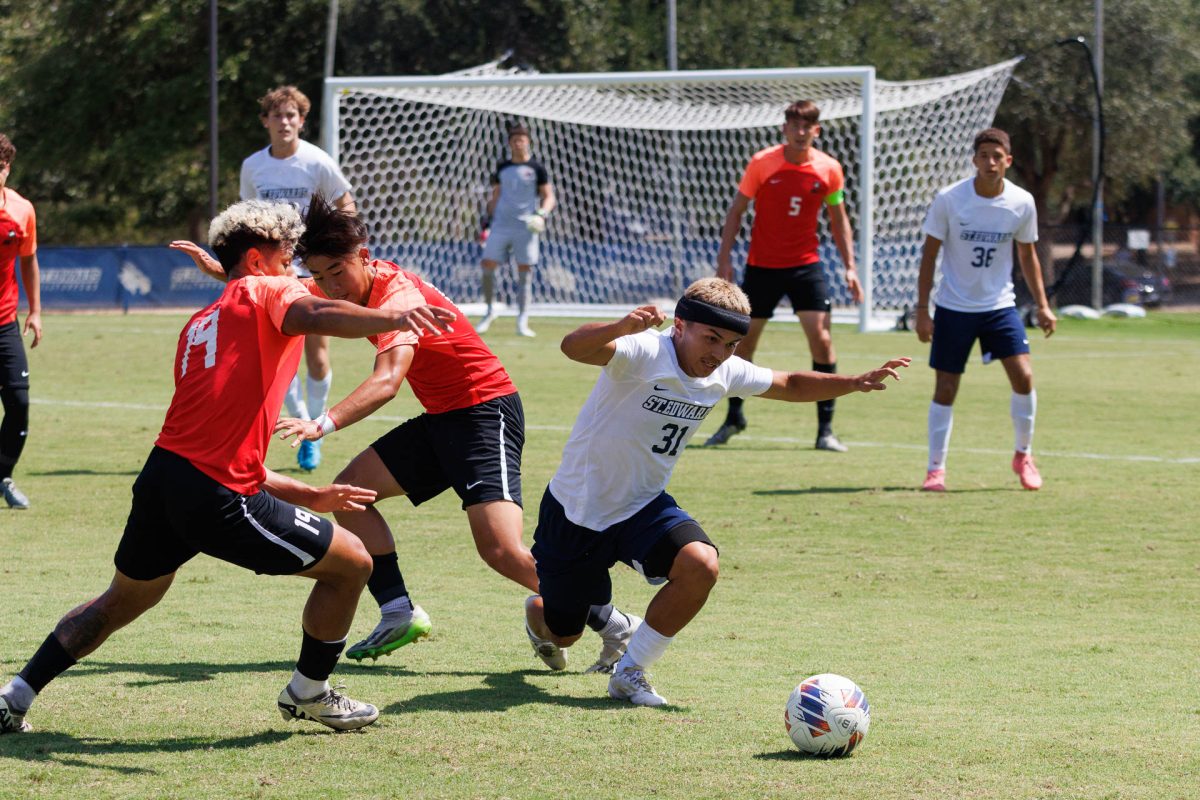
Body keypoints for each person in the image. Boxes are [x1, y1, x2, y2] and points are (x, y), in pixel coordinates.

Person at [0, 200, 457, 735]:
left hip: (164, 478)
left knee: (120, 600)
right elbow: (309, 312)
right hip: (216, 495)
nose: (301, 275)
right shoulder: (271, 289)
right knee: (353, 563)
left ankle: (15, 695)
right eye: (290, 261)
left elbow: (215, 445)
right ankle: (308, 692)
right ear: (263, 261)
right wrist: (390, 316)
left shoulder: (201, 323)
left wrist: (309, 496)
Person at [178, 196, 628, 672]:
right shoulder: (348, 282)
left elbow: (387, 382)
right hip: (443, 417)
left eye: (337, 272)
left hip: (483, 410)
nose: (330, 286)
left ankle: (612, 621)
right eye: (321, 275)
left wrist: (322, 422)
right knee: (350, 496)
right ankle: (398, 610)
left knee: (499, 549)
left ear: (364, 257)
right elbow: (284, 284)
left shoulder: (399, 296)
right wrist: (226, 271)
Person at [523, 277, 909, 705]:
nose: (719, 354)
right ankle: (573, 618)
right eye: (711, 338)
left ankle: (630, 672)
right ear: (680, 326)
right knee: (562, 631)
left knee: (701, 564)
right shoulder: (645, 349)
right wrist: (621, 326)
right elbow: (572, 347)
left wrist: (851, 382)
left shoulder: (724, 371)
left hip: (641, 506)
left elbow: (791, 384)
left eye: (730, 344)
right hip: (575, 511)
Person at [708, 100, 864, 452]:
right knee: (743, 343)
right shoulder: (762, 163)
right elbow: (737, 211)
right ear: (785, 129)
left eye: (807, 125)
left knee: (822, 339)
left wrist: (850, 266)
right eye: (794, 124)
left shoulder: (829, 170)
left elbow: (838, 220)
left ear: (816, 130)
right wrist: (724, 261)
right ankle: (734, 416)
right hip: (761, 266)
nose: (800, 130)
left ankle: (825, 429)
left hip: (805, 266)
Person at [915, 127, 1056, 492]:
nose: (990, 162)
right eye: (984, 156)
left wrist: (1042, 305)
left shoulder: (1022, 202)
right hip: (953, 307)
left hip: (998, 307)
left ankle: (1023, 455)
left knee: (1024, 377)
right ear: (974, 160)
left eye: (998, 156)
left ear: (1008, 161)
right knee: (945, 388)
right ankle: (936, 470)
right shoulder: (950, 199)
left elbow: (1027, 255)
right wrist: (921, 310)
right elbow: (929, 255)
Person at [241, 84, 356, 472]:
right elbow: (246, 214)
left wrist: (344, 244)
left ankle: (314, 423)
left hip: (313, 269)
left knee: (317, 356)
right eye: (278, 115)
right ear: (266, 122)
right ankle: (304, 422)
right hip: (273, 273)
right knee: (280, 355)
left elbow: (346, 201)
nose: (285, 122)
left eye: (292, 115)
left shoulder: (317, 161)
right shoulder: (253, 166)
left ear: (302, 121)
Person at [477, 121, 556, 338]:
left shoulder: (537, 169)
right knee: (487, 265)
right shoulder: (502, 168)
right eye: (514, 140)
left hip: (526, 227)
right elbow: (495, 197)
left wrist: (541, 214)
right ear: (510, 144)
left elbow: (549, 197)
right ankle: (490, 310)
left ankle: (522, 320)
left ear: (527, 142)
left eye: (521, 139)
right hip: (501, 225)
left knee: (525, 272)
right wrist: (486, 222)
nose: (518, 143)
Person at [0, 133, 40, 510]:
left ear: (8, 169)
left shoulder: (21, 210)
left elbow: (28, 260)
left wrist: (36, 310)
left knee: (18, 402)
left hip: (4, 323)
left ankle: (4, 474)